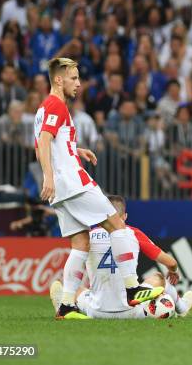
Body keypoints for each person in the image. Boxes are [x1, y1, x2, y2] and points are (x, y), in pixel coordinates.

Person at [34, 58, 163, 319]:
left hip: (61, 188)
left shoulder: (42, 109)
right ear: (58, 79)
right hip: (73, 183)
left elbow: (42, 145)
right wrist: (48, 175)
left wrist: (74, 151)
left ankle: (67, 304)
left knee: (81, 243)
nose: (79, 84)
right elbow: (45, 140)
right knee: (118, 225)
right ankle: (131, 288)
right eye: (73, 78)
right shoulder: (56, 104)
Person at [49, 195, 192, 319]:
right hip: (133, 311)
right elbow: (170, 262)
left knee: (72, 286)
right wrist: (173, 269)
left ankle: (63, 303)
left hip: (95, 312)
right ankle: (181, 307)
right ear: (124, 216)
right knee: (159, 277)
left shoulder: (87, 238)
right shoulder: (133, 233)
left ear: (100, 216)